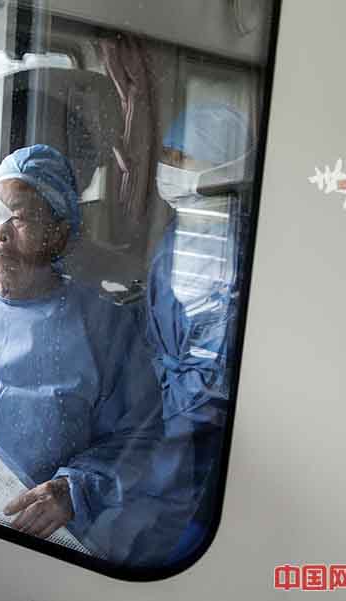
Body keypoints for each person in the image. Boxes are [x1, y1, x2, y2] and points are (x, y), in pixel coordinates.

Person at [0, 144, 167, 562]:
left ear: (59, 233)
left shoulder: (103, 329)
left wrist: (73, 490)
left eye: (21, 217)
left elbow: (143, 436)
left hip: (31, 545)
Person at [145, 103, 253, 560]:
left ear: (219, 164)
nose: (167, 168)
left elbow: (222, 372)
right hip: (165, 424)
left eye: (180, 156)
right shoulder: (179, 232)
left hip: (207, 443)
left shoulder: (240, 249)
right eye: (165, 155)